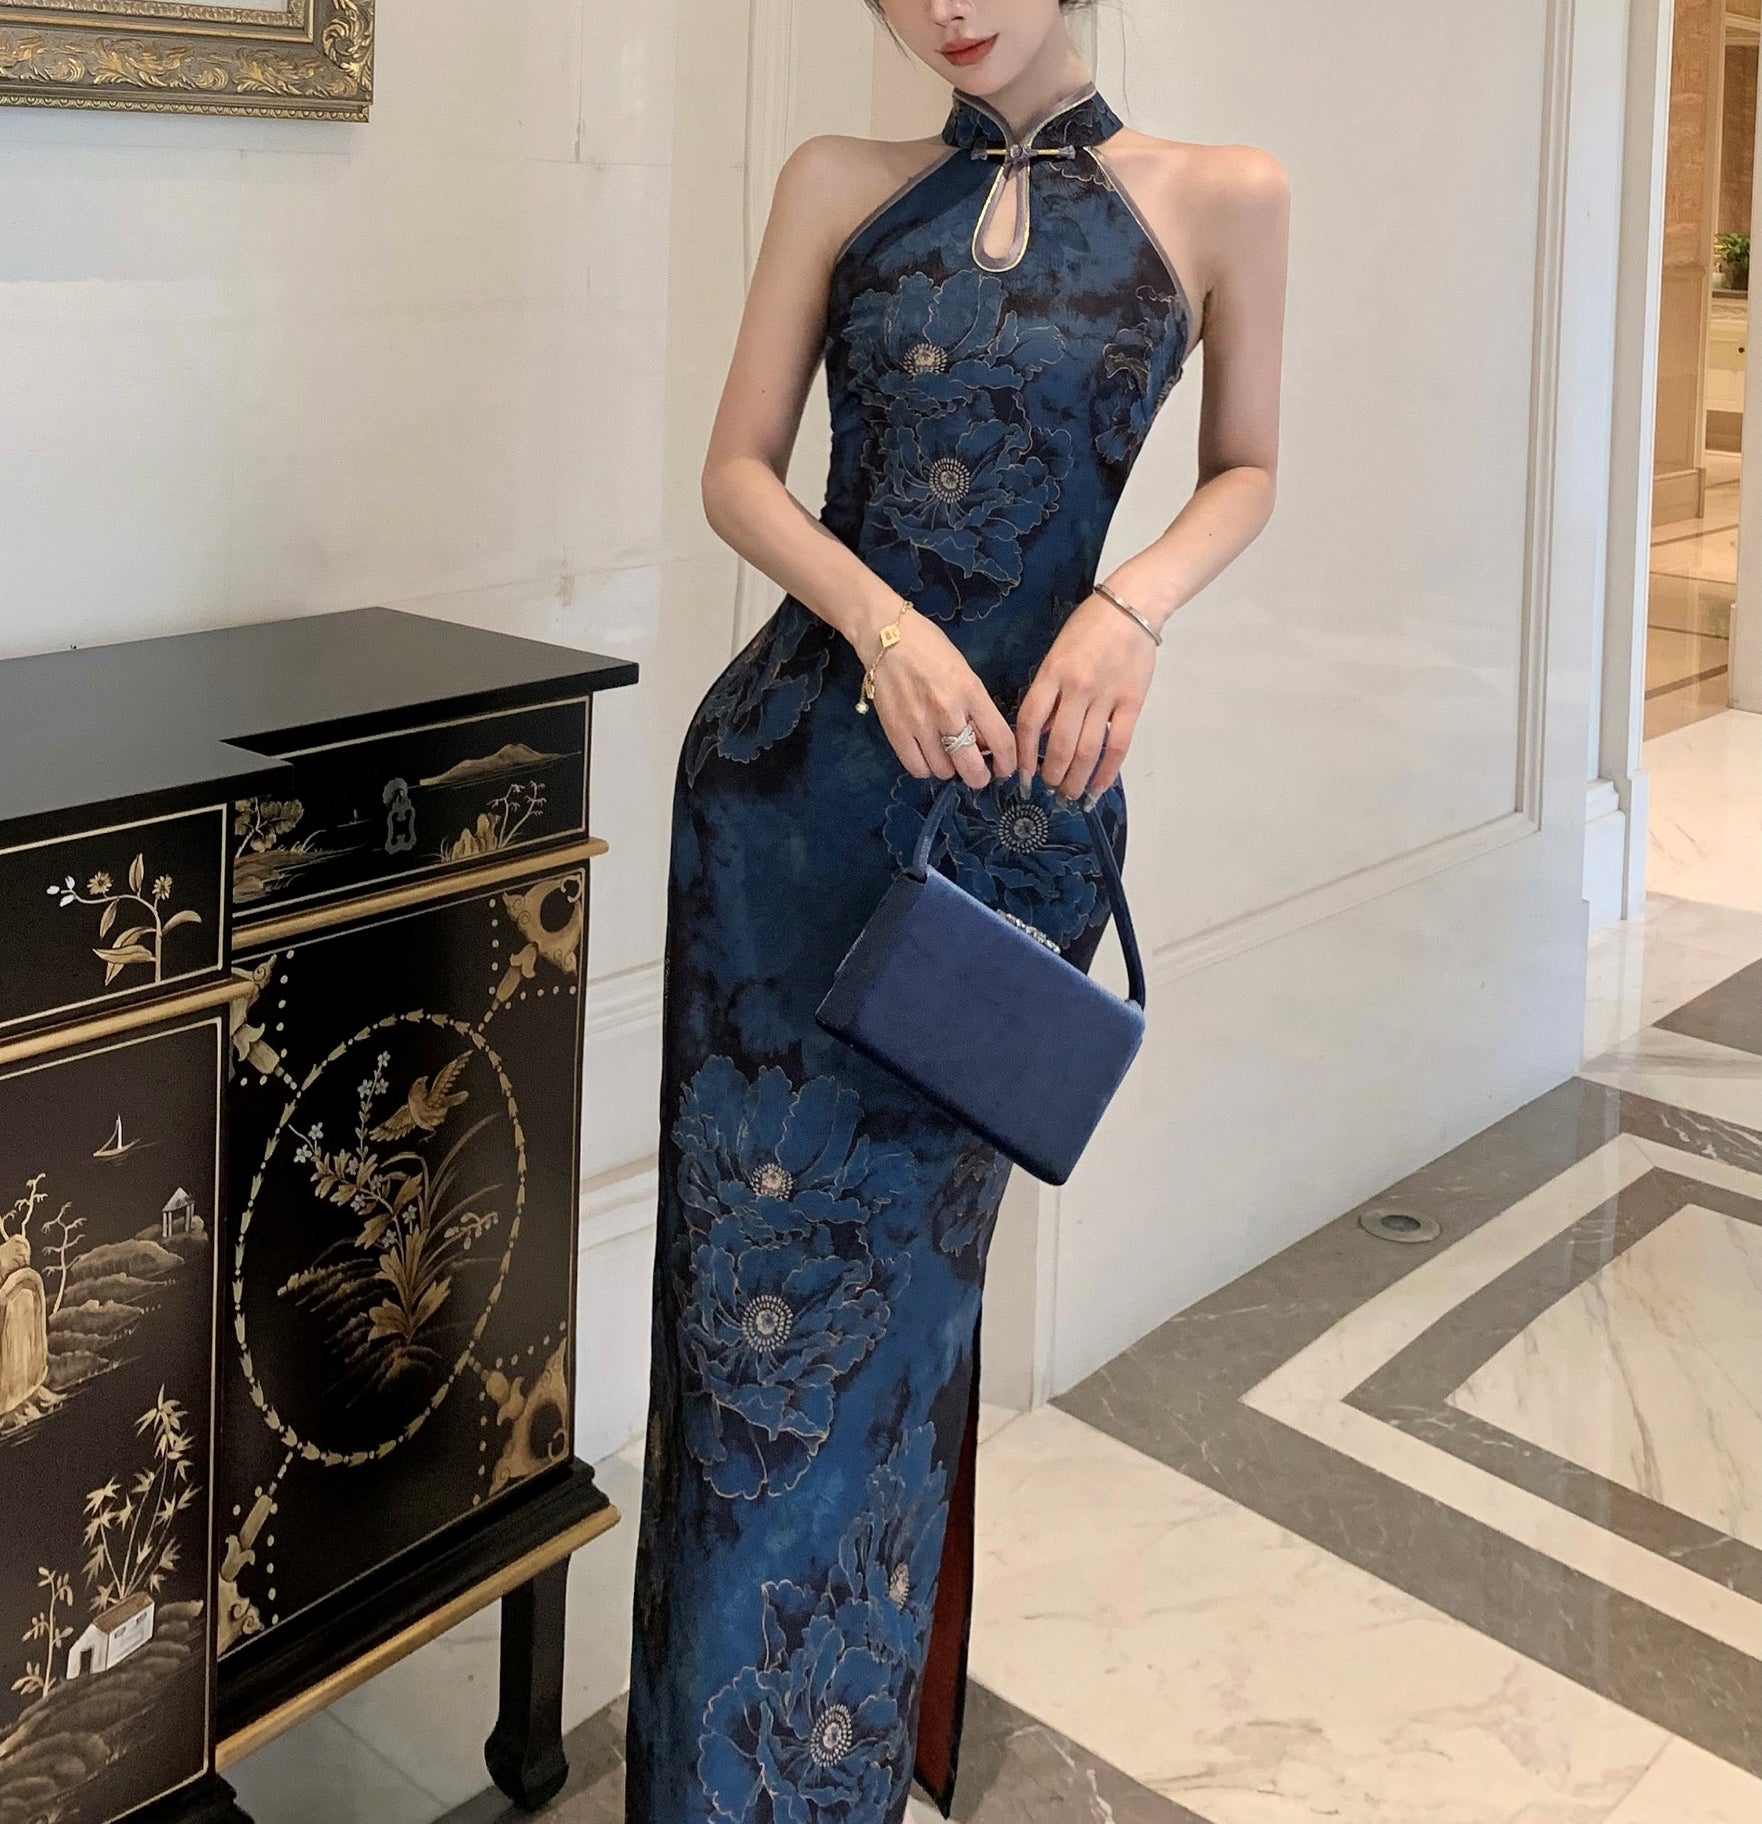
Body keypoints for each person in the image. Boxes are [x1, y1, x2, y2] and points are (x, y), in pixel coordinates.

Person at [625, 1, 1288, 1818]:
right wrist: (884, 624)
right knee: (734, 1340)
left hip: (1012, 828)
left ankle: (834, 1776)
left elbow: (1246, 464)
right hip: (784, 803)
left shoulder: (1222, 196)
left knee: (900, 1326)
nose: (945, 6)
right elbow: (737, 470)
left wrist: (1131, 606)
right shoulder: (834, 182)